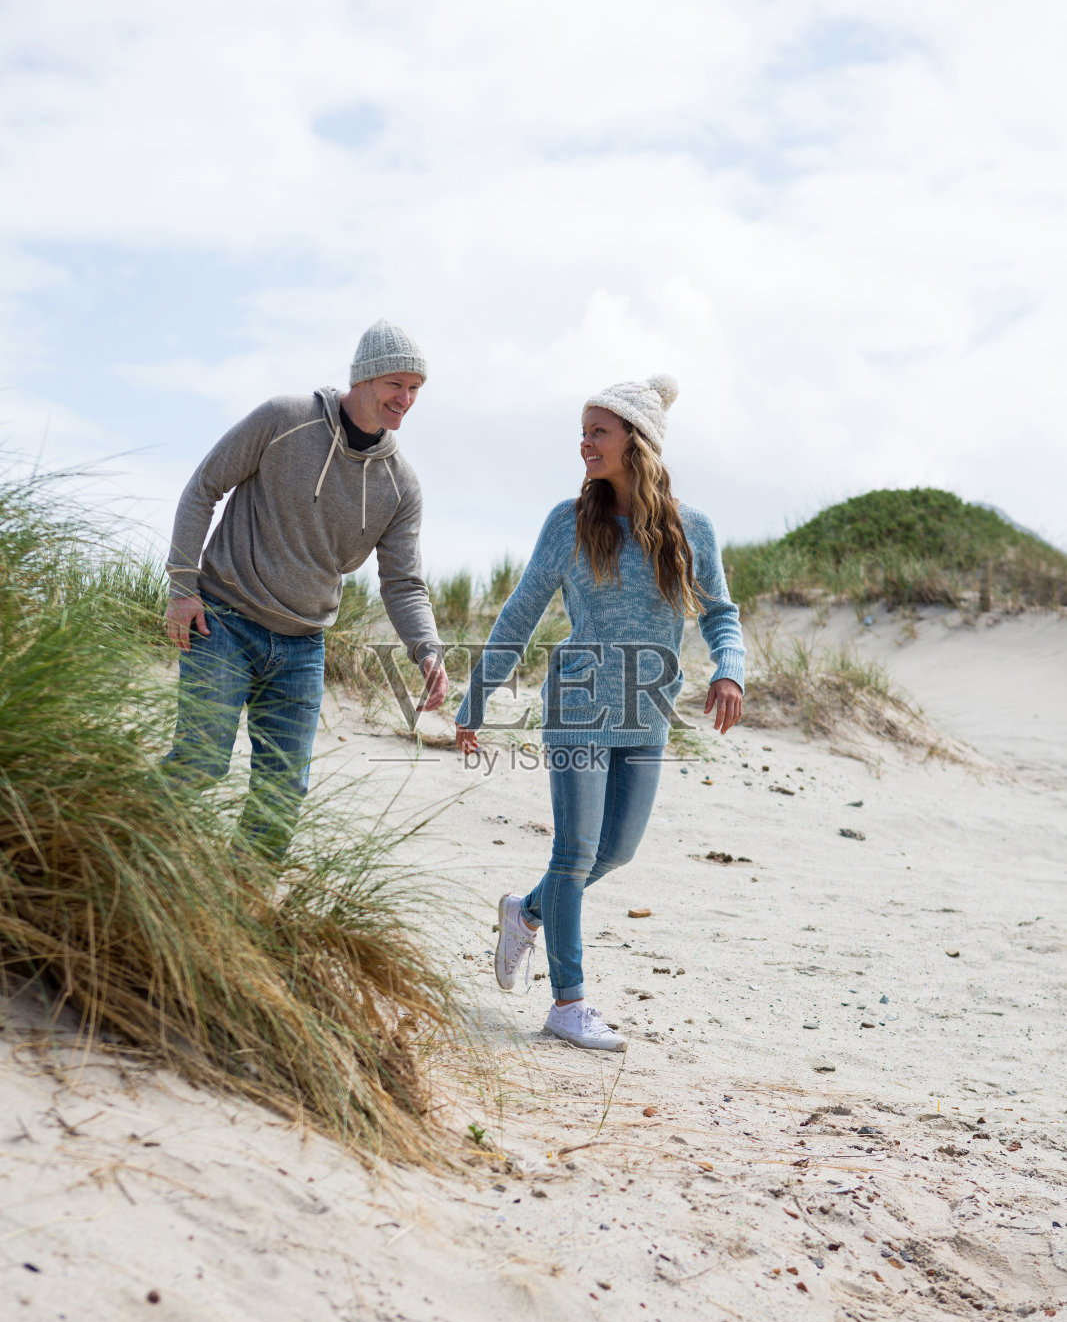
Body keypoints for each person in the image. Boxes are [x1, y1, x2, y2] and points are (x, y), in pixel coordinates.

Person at [455, 373, 743, 1050]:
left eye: (598, 432)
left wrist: (729, 668)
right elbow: (520, 614)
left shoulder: (691, 528)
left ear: (636, 442)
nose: (583, 443)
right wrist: (476, 699)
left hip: (646, 713)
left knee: (614, 851)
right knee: (574, 851)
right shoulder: (568, 521)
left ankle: (524, 912)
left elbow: (721, 615)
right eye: (583, 431)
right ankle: (567, 1002)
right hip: (578, 706)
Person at [163, 317, 447, 857]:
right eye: (396, 385)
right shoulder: (284, 419)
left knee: (280, 798)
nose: (406, 399)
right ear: (364, 378)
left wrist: (427, 649)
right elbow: (203, 488)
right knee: (199, 764)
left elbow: (403, 581)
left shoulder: (400, 484)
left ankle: (237, 918)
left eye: (415, 389)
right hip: (223, 620)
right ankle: (102, 852)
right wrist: (182, 585)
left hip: (302, 648)